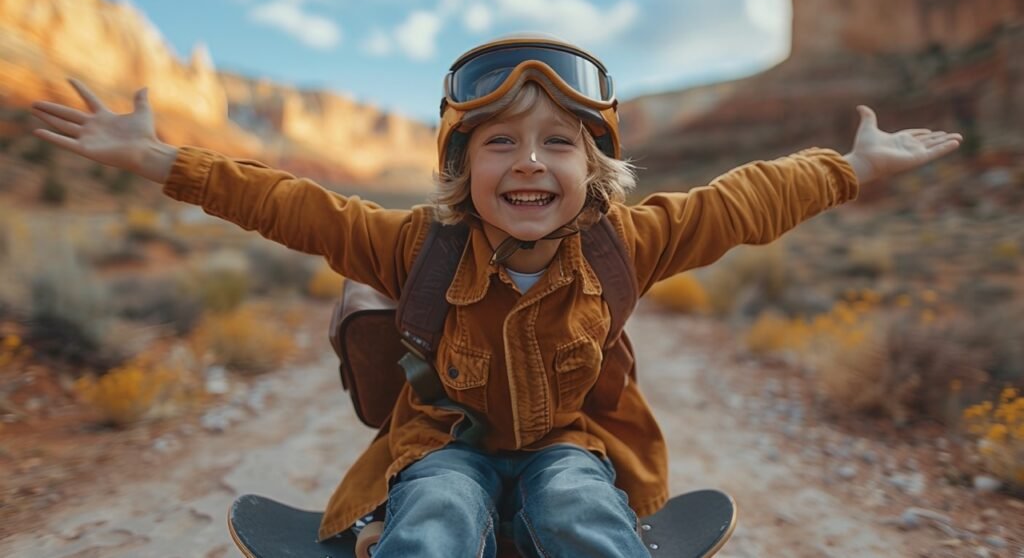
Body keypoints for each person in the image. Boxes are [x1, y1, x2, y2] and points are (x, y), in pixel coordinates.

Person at [29, 33, 962, 557]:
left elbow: (742, 201)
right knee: (433, 513)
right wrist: (157, 158)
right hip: (445, 444)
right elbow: (287, 204)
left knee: (582, 510)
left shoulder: (623, 242)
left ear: (594, 171)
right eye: (500, 144)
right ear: (460, 167)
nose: (530, 163)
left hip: (569, 442)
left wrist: (847, 168)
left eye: (560, 142)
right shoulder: (412, 245)